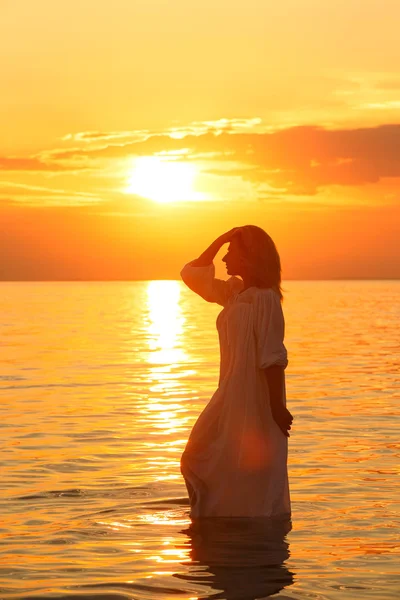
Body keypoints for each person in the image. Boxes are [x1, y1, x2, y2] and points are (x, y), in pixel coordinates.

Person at [180, 225, 293, 518]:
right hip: (230, 391)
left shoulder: (265, 298)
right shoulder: (233, 293)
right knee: (198, 457)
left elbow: (272, 356)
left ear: (250, 256)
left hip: (255, 398)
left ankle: (238, 535)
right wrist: (221, 238)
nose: (226, 257)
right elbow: (191, 274)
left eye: (232, 251)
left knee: (241, 467)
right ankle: (216, 523)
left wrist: (276, 407)